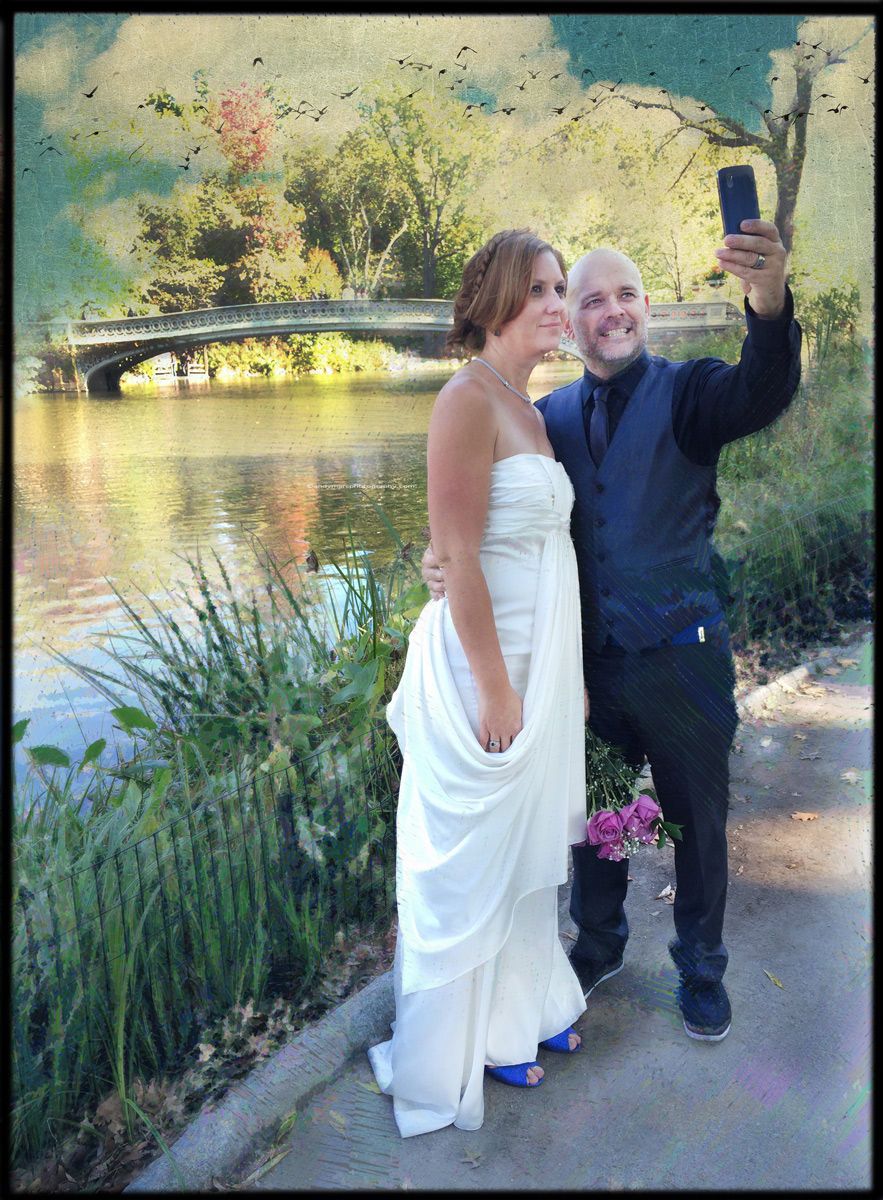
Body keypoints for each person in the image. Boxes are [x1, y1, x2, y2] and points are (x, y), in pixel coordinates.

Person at [423, 218, 802, 1044]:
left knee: (694, 823)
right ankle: (598, 945)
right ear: (571, 321)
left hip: (683, 664)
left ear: (646, 309)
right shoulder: (544, 416)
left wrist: (768, 301)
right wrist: (440, 558)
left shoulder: (692, 394)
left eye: (624, 295)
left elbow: (763, 387)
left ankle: (700, 968)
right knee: (598, 818)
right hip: (588, 669)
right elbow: (496, 524)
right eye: (589, 300)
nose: (610, 311)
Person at [367, 230, 590, 1138]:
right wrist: (497, 691)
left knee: (524, 848)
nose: (555, 303)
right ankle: (460, 1047)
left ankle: (519, 1015)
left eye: (559, 287)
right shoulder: (465, 399)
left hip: (541, 665)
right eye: (536, 288)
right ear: (494, 299)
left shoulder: (530, 409)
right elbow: (456, 554)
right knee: (471, 864)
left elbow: (531, 545)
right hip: (482, 669)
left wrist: (561, 682)